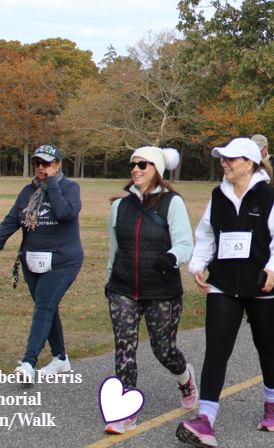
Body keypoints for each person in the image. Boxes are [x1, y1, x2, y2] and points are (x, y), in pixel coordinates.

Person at [177, 138, 274, 444]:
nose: (225, 164)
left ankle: (273, 403)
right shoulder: (218, 196)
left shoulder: (269, 196)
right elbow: (206, 234)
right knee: (217, 348)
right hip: (224, 284)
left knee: (265, 344)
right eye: (223, 159)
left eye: (231, 159)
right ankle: (205, 419)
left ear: (250, 163)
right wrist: (198, 264)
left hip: (263, 285)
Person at [105, 146, 196, 434]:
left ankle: (185, 378)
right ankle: (125, 411)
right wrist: (109, 282)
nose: (136, 169)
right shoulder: (120, 206)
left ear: (156, 168)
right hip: (123, 288)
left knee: (163, 350)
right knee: (124, 349)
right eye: (133, 164)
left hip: (161, 290)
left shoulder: (172, 203)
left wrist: (171, 258)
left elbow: (185, 244)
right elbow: (114, 250)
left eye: (143, 164)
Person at [0, 144, 82, 387]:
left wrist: (52, 183)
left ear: (58, 164)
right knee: (47, 308)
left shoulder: (70, 187)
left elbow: (65, 213)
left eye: (46, 163)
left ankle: (28, 363)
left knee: (44, 307)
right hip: (32, 260)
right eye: (37, 163)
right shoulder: (28, 191)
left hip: (63, 260)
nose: (41, 167)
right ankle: (60, 359)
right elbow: (12, 220)